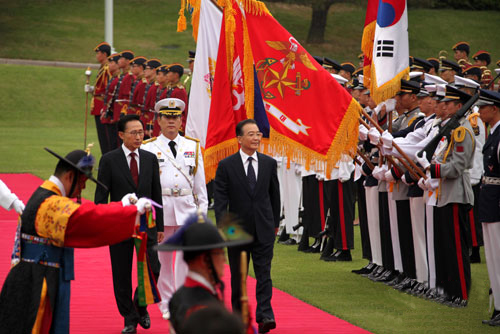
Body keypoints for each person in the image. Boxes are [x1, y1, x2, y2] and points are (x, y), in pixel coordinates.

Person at [0, 147, 151, 333]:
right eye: (82, 182)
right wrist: (131, 212)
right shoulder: (50, 204)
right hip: (36, 283)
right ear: (70, 177)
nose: (83, 188)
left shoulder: (46, 195)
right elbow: (88, 220)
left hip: (39, 276)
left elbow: (87, 216)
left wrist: (121, 205)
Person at [95, 114, 164, 334]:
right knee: (121, 273)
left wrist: (159, 226)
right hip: (119, 224)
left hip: (147, 224)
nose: (138, 136)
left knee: (154, 268)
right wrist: (102, 222)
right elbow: (100, 196)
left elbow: (156, 194)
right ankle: (129, 318)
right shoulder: (109, 159)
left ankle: (140, 305)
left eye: (141, 131)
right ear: (121, 135)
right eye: (133, 132)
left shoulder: (150, 158)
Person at [142, 98, 208, 320]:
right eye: (167, 117)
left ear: (181, 120)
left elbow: (200, 186)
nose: (172, 121)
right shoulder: (148, 147)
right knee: (162, 261)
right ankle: (166, 303)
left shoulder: (193, 146)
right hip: (160, 210)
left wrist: (202, 215)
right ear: (158, 120)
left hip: (186, 209)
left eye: (176, 117)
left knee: (183, 261)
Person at [214, 119, 280, 334]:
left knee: (264, 273)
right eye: (250, 134)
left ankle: (265, 315)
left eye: (258, 134)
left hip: (264, 227)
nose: (256, 138)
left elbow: (274, 195)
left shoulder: (269, 163)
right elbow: (221, 201)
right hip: (237, 231)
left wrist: (275, 223)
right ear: (239, 138)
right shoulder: (226, 165)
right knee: (238, 276)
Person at [159, 211, 252, 334]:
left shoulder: (182, 296)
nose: (224, 260)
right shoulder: (201, 306)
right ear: (204, 259)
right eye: (219, 254)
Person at [476, 89, 500, 326]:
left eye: (483, 108)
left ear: (495, 109)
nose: (480, 111)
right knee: (492, 257)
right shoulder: (492, 133)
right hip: (489, 201)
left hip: (497, 202)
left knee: (499, 255)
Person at [88, 42, 111, 154]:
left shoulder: (107, 68)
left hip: (102, 104)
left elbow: (108, 87)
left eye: (98, 53)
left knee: (105, 136)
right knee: (101, 136)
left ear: (104, 54)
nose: (97, 56)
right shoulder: (103, 67)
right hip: (97, 104)